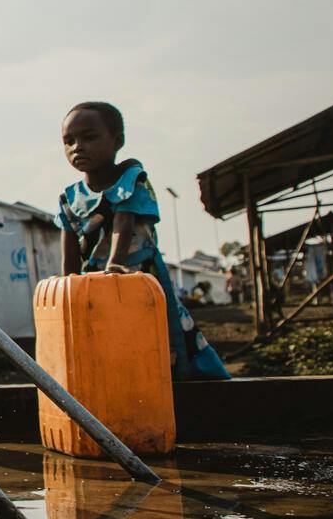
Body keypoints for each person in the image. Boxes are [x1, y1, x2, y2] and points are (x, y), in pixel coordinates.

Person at [56, 102, 230, 381]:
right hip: (93, 287)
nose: (77, 147)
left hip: (137, 279)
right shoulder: (69, 199)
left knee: (161, 337)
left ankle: (190, 389)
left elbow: (123, 224)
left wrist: (114, 265)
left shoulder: (132, 180)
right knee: (106, 345)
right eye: (69, 141)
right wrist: (69, 286)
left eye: (89, 137)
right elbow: (70, 251)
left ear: (117, 141)